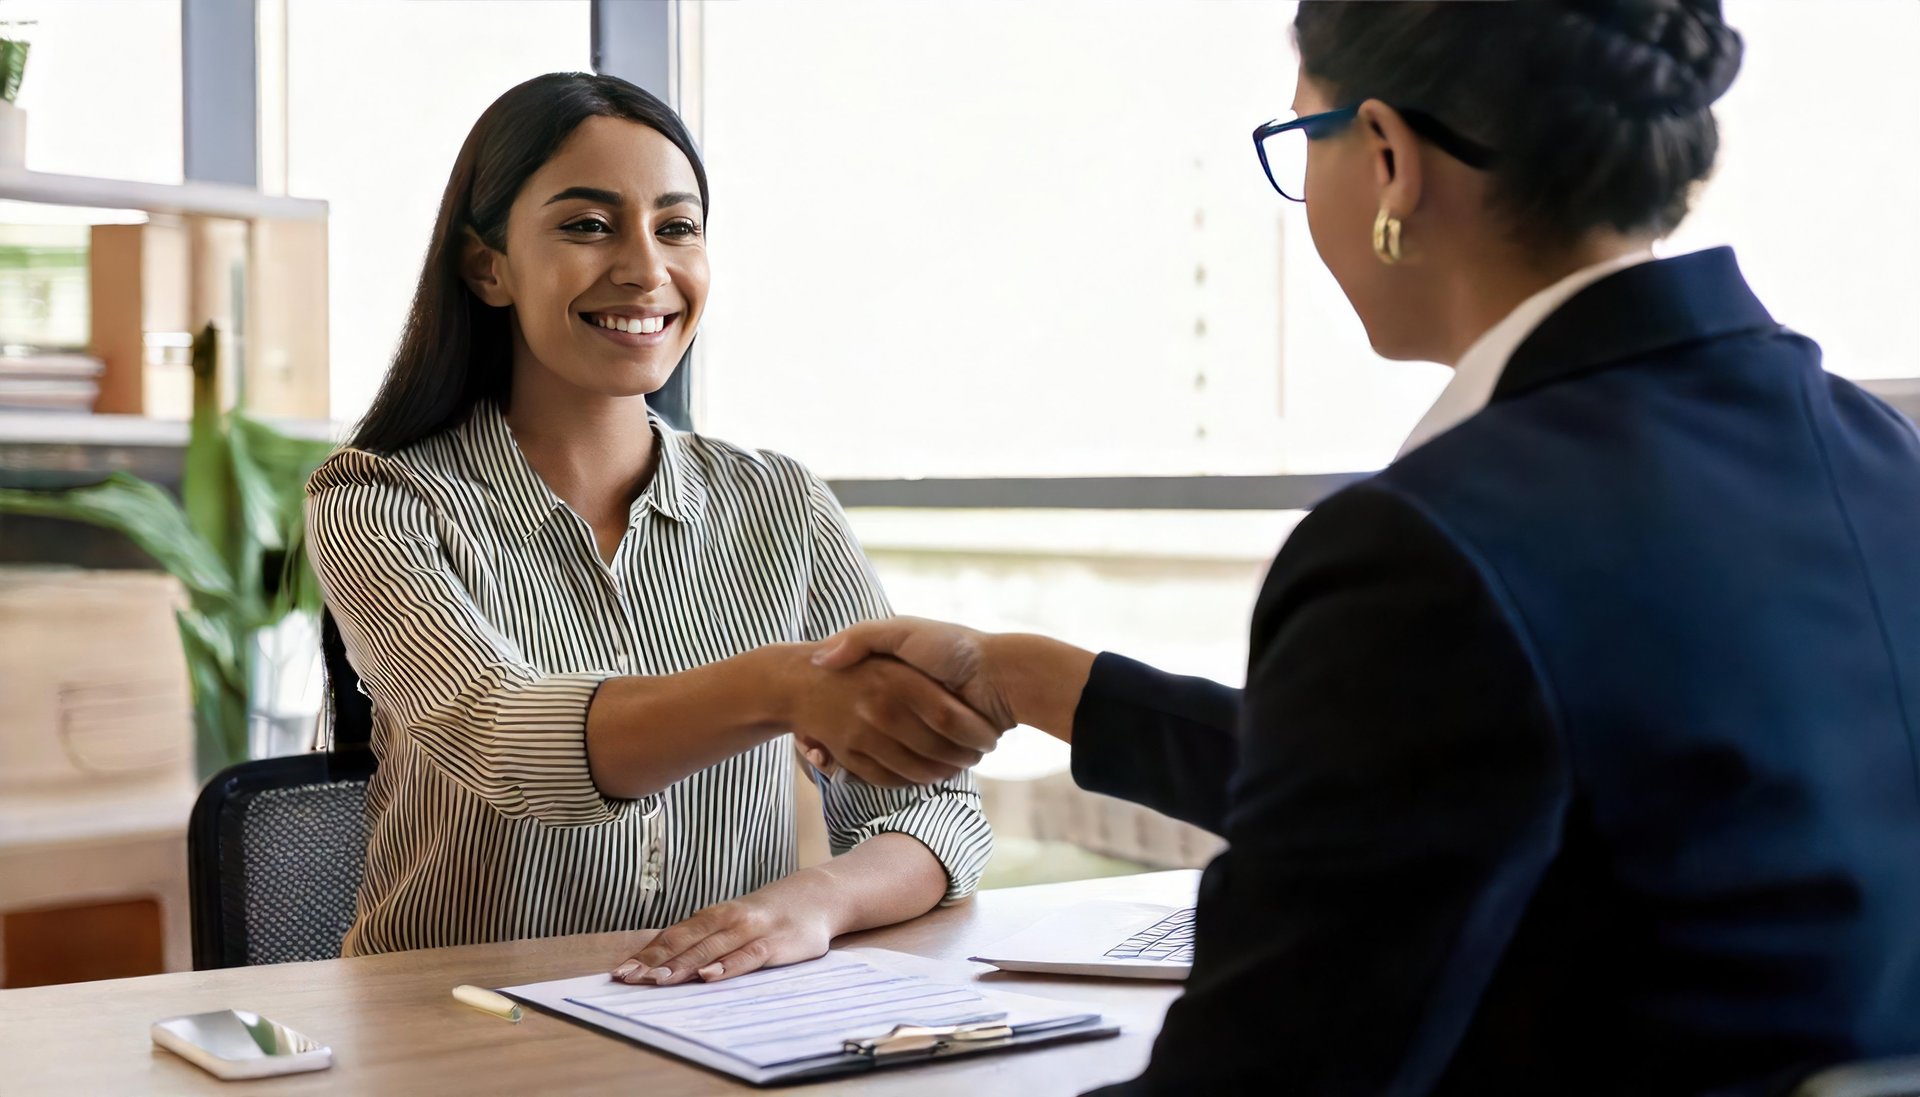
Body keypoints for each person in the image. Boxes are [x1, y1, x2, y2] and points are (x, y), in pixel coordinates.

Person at [813, 2, 1920, 1092]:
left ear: (1388, 156)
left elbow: (1273, 1065)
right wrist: (1038, 680)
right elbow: (1469, 772)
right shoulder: (1869, 447)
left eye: (1302, 139)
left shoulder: (1437, 537)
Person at [305, 73, 995, 980]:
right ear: (489, 267)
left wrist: (814, 899)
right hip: (461, 1026)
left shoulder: (781, 504)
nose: (646, 267)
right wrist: (780, 684)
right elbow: (505, 736)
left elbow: (938, 808)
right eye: (588, 225)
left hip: (715, 1022)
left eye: (676, 227)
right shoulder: (375, 499)